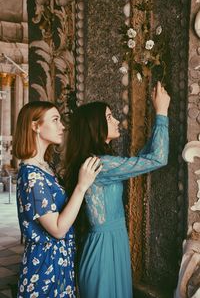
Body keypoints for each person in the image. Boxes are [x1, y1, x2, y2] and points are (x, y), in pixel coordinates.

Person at [63, 81, 170, 298]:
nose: (117, 121)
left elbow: (143, 160)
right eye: (110, 117)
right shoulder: (100, 164)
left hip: (112, 243)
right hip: (103, 250)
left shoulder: (101, 162)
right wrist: (161, 113)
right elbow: (157, 158)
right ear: (95, 126)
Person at [12, 101, 102, 298]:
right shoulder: (31, 175)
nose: (62, 126)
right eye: (55, 120)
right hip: (44, 268)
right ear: (35, 126)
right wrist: (81, 185)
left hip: (59, 262)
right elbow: (58, 229)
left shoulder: (45, 167)